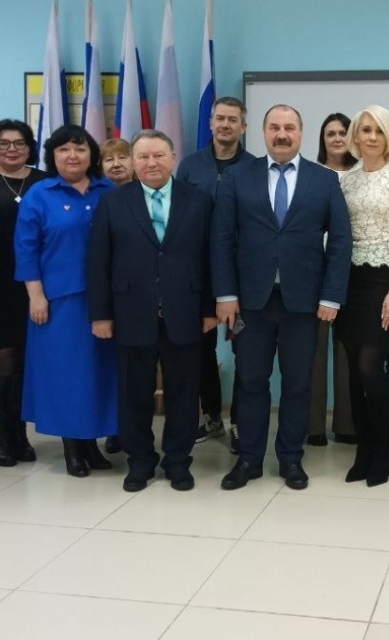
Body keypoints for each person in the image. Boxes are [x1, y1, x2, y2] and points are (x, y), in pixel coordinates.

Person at [212, 104, 352, 491]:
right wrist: (225, 294)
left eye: (289, 127)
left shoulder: (324, 180)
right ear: (263, 132)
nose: (282, 134)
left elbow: (340, 242)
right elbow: (221, 238)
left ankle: (291, 458)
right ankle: (249, 459)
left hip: (304, 303)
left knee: (298, 384)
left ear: (301, 133)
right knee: (251, 381)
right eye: (274, 127)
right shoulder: (238, 177)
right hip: (250, 302)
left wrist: (331, 297)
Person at [88, 130, 216, 492]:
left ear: (173, 158)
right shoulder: (113, 202)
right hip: (131, 311)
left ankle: (178, 461)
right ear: (132, 162)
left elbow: (211, 258)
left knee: (184, 394)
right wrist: (101, 314)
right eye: (142, 157)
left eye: (158, 155)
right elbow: (99, 261)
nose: (151, 163)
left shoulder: (199, 200)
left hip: (186, 311)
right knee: (134, 394)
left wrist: (210, 308)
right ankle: (140, 461)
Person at [15, 125, 118, 478]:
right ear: (52, 156)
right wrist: (36, 296)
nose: (72, 155)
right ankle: (72, 447)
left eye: (80, 148)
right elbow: (26, 250)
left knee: (98, 374)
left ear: (92, 155)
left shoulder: (109, 191)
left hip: (105, 301)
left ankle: (91, 443)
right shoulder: (39, 195)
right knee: (66, 376)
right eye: (63, 149)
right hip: (58, 302)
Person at [337, 105, 389, 487]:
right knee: (354, 372)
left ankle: (381, 451)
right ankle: (363, 452)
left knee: (371, 368)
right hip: (347, 281)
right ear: (355, 135)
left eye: (378, 131)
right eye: (365, 129)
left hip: (382, 279)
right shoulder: (345, 181)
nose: (371, 137)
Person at [178, 96, 255, 452]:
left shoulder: (255, 168)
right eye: (220, 118)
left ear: (243, 126)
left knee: (245, 351)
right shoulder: (190, 166)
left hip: (242, 278)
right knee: (200, 351)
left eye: (232, 119)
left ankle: (240, 422)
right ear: (210, 123)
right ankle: (211, 416)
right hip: (197, 276)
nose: (225, 125)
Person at [0, 118, 47, 467]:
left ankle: (20, 435)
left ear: (29, 147)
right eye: (3, 143)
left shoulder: (44, 181)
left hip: (35, 285)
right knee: (3, 359)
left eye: (19, 143)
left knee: (26, 361)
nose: (11, 149)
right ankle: (2, 437)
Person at [309, 112, 356, 447]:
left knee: (348, 350)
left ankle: (347, 425)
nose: (337, 138)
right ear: (322, 139)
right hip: (315, 270)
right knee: (313, 350)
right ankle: (313, 426)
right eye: (330, 133)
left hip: (354, 270)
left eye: (343, 133)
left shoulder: (364, 175)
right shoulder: (311, 175)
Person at [98, 137, 133, 455]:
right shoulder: (96, 196)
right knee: (108, 368)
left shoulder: (148, 193)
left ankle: (126, 428)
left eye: (123, 157)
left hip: (139, 295)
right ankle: (111, 427)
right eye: (109, 159)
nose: (116, 164)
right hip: (105, 293)